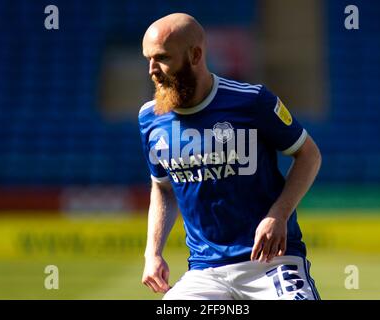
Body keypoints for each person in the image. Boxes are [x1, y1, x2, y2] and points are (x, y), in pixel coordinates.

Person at [138, 13, 322, 300]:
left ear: (195, 55)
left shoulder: (252, 101)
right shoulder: (150, 119)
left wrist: (278, 214)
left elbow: (309, 155)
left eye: (162, 58)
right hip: (205, 273)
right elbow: (163, 188)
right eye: (148, 58)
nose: (152, 69)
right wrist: (153, 253)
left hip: (272, 263)